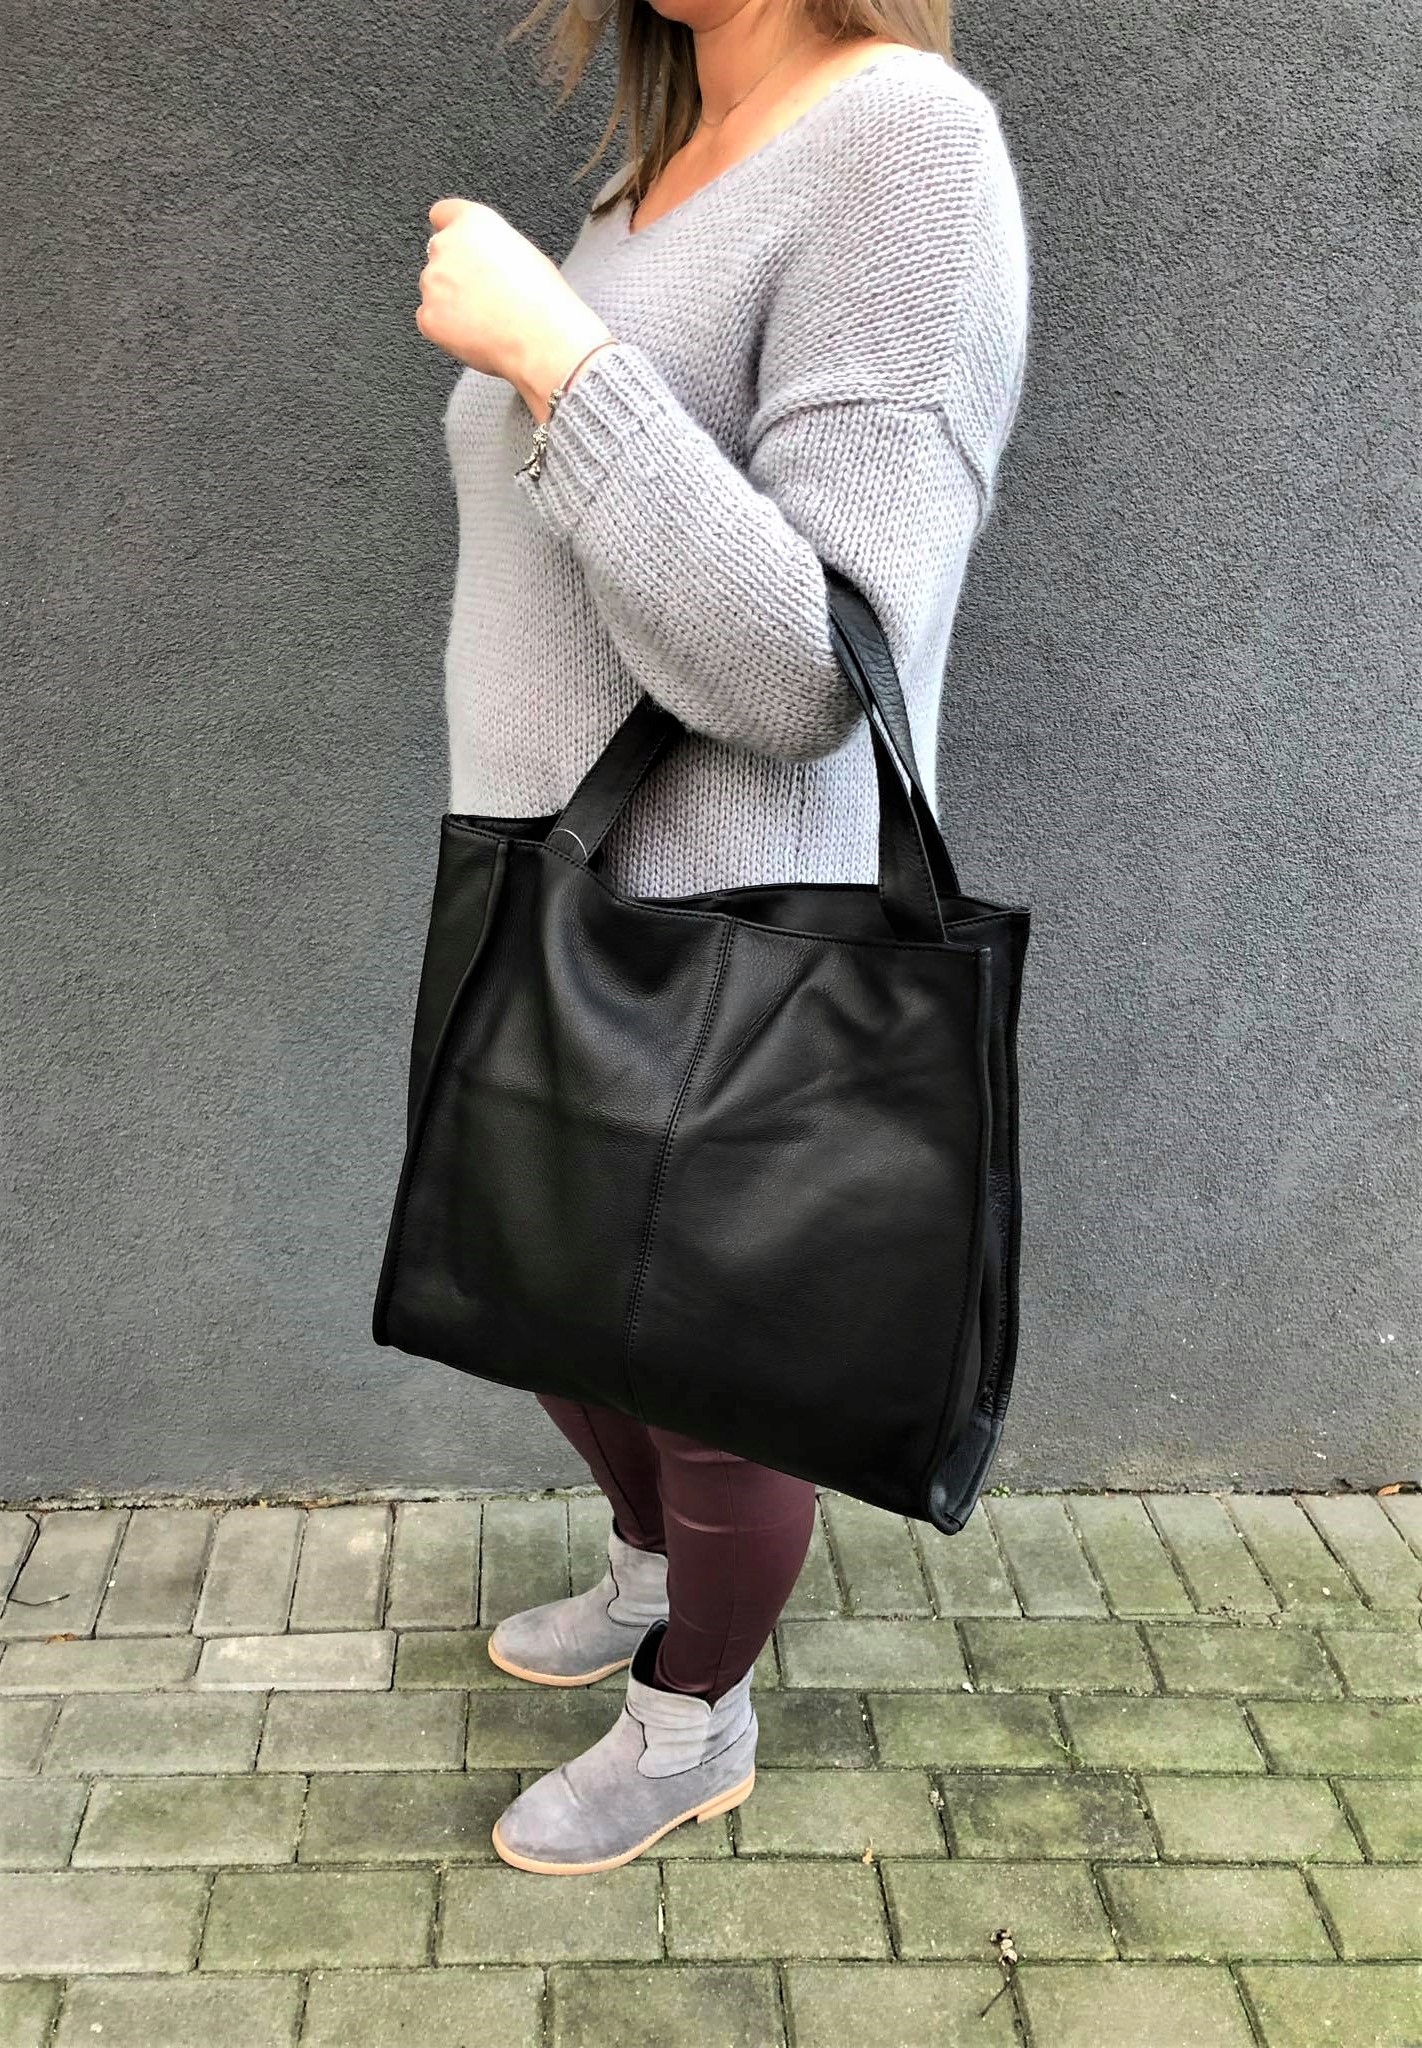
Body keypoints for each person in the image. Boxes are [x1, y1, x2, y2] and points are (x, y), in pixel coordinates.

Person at [414, 0, 1030, 1875]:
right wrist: (564, 345)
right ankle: (645, 1574)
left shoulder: (905, 145)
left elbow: (802, 668)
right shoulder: (645, 178)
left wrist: (558, 359)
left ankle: (693, 1722)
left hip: (731, 916)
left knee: (713, 1381)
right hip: (535, 875)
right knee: (534, 1296)